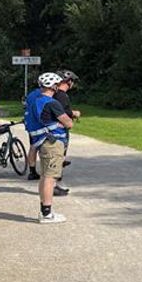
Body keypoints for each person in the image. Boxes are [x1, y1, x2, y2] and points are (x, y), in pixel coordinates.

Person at [25, 72, 74, 224]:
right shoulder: (52, 103)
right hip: (52, 143)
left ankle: (44, 210)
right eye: (57, 85)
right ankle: (46, 213)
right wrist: (62, 123)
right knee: (50, 177)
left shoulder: (36, 100)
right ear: (53, 86)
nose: (58, 87)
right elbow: (69, 123)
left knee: (44, 176)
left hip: (41, 142)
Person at [51, 71, 81, 196]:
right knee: (58, 157)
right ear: (69, 81)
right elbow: (62, 112)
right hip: (60, 130)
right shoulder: (62, 95)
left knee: (57, 157)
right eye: (72, 81)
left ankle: (54, 184)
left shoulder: (55, 94)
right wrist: (74, 114)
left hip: (54, 130)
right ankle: (54, 186)